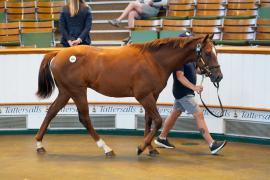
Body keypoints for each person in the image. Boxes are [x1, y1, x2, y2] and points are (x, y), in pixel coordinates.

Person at [154, 32, 227, 155]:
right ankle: (212, 144)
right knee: (199, 114)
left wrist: (206, 72)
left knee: (175, 114)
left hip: (185, 92)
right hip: (183, 92)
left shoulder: (191, 57)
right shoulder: (178, 59)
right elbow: (180, 76)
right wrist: (195, 87)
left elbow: (197, 70)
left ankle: (161, 138)